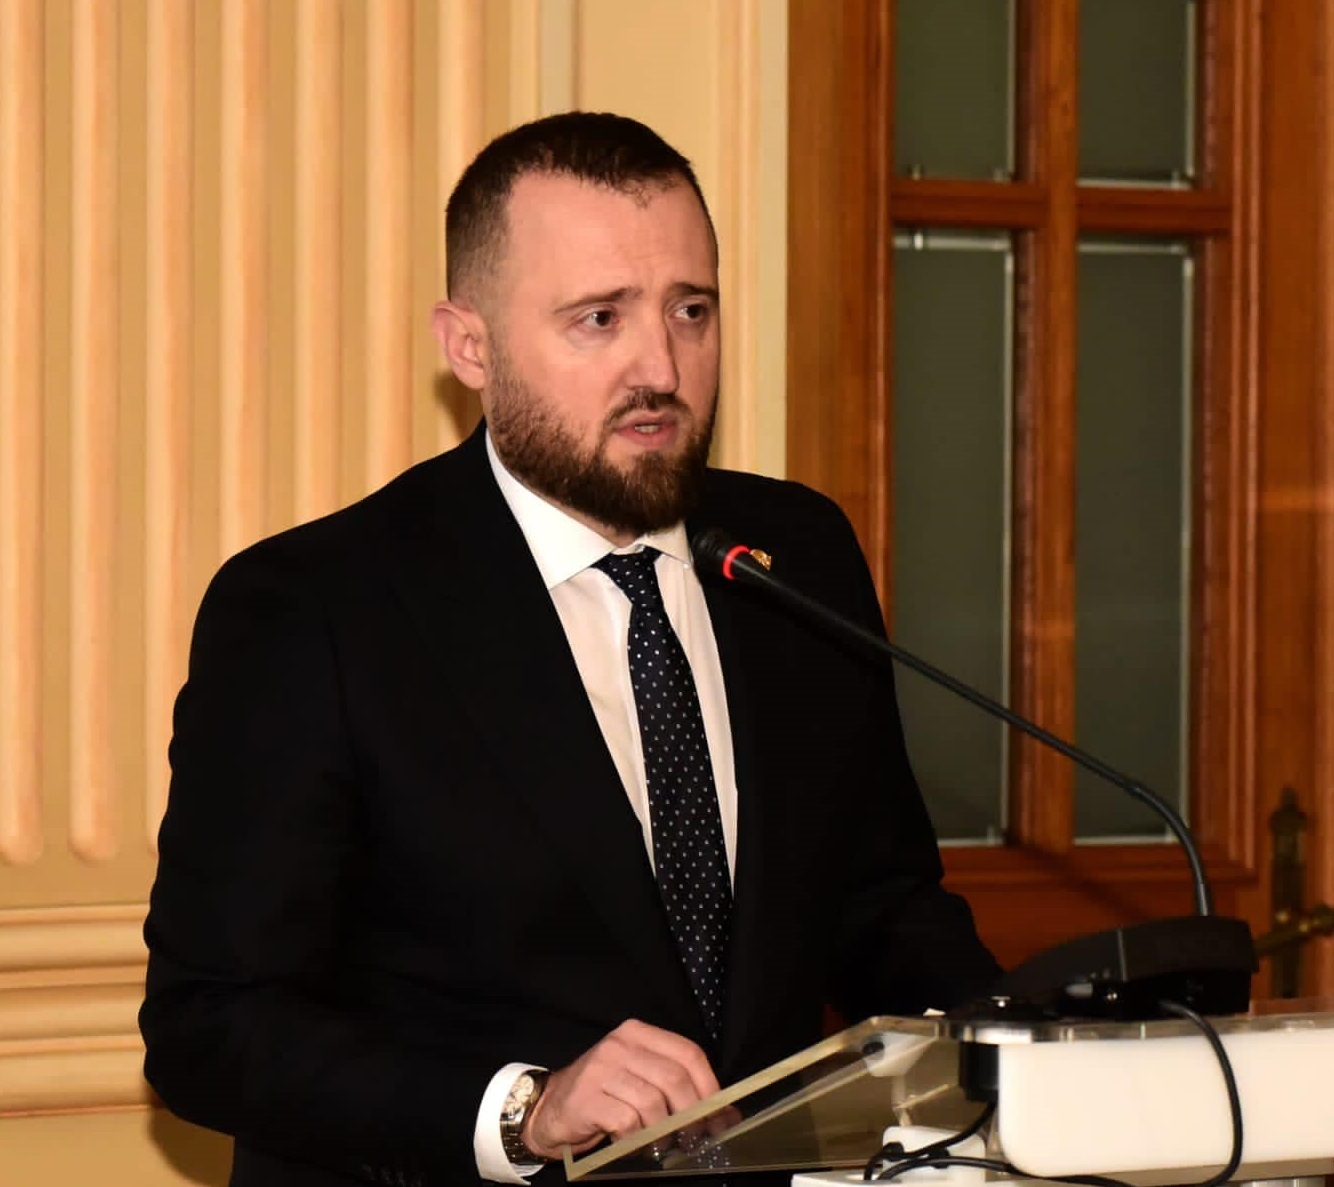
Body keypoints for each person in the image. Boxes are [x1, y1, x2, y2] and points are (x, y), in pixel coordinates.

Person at [140, 111, 1001, 1187]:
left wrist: (1044, 1046)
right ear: (469, 346)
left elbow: (879, 905)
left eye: (690, 310)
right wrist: (523, 1109)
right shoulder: (313, 608)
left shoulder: (798, 552)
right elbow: (211, 1024)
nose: (661, 366)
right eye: (599, 318)